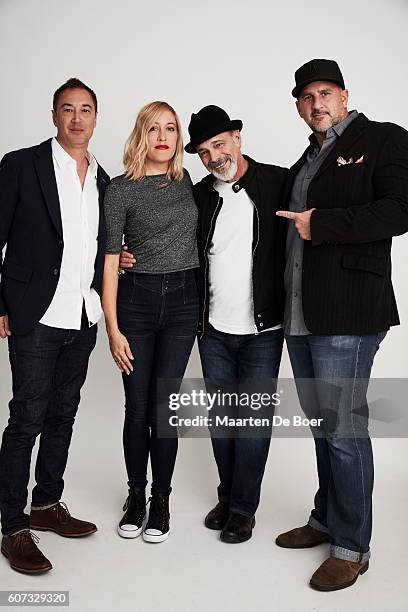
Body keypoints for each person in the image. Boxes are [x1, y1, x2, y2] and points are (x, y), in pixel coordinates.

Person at [123, 105, 287, 543]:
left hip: (262, 331)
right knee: (220, 423)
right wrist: (125, 253)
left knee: (250, 425)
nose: (214, 156)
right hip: (212, 329)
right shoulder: (198, 195)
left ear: (237, 136)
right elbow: (165, 236)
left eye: (220, 144)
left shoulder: (278, 183)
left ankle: (244, 508)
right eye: (204, 151)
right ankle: (227, 495)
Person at [275, 58, 408, 591]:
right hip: (302, 313)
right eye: (307, 98)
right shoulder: (308, 158)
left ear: (345, 95)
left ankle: (353, 547)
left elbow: (400, 210)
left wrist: (321, 224)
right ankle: (327, 519)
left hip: (349, 312)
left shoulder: (384, 139)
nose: (317, 104)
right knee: (322, 424)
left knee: (344, 428)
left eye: (325, 93)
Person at [0, 78, 109, 574]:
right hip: (35, 314)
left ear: (95, 117)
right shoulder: (22, 166)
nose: (77, 118)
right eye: (68, 109)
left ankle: (46, 505)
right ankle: (13, 526)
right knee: (26, 418)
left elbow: (94, 245)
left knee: (63, 414)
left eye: (85, 109)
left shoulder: (104, 179)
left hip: (82, 314)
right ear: (54, 115)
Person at [103, 101, 199, 543]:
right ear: (141, 134)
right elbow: (108, 262)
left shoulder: (190, 184)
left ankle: (161, 499)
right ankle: (135, 495)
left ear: (179, 137)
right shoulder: (120, 190)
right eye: (154, 128)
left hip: (183, 304)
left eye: (172, 129)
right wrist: (113, 327)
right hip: (136, 303)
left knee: (164, 409)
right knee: (137, 406)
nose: (163, 136)